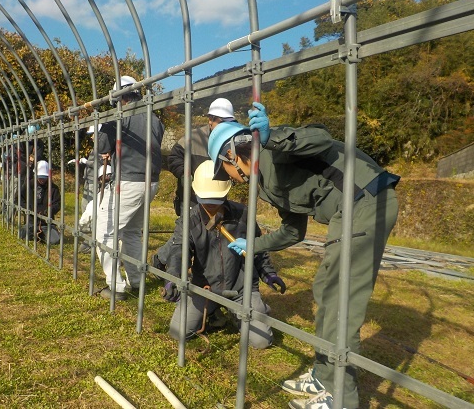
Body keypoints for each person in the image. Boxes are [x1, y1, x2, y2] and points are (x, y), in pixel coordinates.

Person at [208, 103, 400, 409]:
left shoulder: (274, 149)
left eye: (223, 170)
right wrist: (253, 244)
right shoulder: (264, 184)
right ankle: (324, 377)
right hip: (348, 211)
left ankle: (342, 398)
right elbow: (293, 231)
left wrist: (271, 138)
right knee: (325, 290)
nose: (228, 178)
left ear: (231, 154)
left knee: (341, 300)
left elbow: (321, 138)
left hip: (366, 200)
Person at [161, 160, 285, 348]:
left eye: (216, 201)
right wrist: (173, 277)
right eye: (206, 201)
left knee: (262, 342)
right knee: (178, 332)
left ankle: (250, 310)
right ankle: (213, 311)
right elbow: (178, 250)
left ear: (226, 193)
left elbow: (257, 248)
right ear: (196, 193)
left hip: (241, 289)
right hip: (205, 289)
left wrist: (269, 274)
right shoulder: (189, 219)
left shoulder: (243, 214)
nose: (211, 206)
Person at [95, 76, 165, 300]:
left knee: (104, 232)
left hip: (128, 181)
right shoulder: (154, 118)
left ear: (120, 98)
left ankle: (116, 286)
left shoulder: (120, 116)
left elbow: (102, 146)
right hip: (150, 181)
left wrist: (105, 126)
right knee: (132, 233)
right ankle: (136, 281)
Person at [152, 98, 238, 273]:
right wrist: (186, 174)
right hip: (192, 195)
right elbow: (174, 158)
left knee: (208, 229)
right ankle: (163, 260)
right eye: (221, 121)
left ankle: (203, 268)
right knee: (186, 231)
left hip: (217, 195)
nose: (225, 126)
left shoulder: (232, 140)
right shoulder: (193, 138)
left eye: (228, 122)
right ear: (210, 120)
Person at [19, 160, 62, 245]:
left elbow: (57, 204)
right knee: (23, 235)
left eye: (44, 177)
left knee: (55, 240)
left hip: (46, 222)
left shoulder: (53, 188)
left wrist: (47, 211)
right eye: (40, 177)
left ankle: (44, 234)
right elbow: (19, 199)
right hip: (31, 221)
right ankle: (36, 234)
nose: (42, 179)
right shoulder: (29, 185)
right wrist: (29, 208)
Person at [78, 164, 112, 253]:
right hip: (123, 233)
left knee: (83, 248)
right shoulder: (123, 193)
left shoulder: (100, 197)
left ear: (100, 180)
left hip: (104, 233)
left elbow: (88, 214)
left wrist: (80, 226)